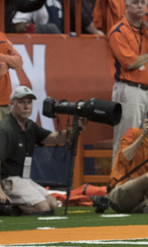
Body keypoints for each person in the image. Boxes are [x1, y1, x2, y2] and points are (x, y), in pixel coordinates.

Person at [0, 86, 86, 215]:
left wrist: (77, 128)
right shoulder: (6, 129)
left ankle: (12, 207)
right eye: (21, 102)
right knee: (43, 208)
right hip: (8, 180)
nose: (26, 106)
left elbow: (54, 138)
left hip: (23, 179)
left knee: (52, 204)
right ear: (11, 105)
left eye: (29, 102)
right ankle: (4, 208)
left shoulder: (29, 125)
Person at [108, 0, 148, 158]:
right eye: (135, 2)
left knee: (146, 141)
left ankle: (137, 182)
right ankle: (118, 183)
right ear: (126, 6)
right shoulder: (118, 31)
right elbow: (130, 63)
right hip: (129, 90)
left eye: (143, 2)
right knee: (126, 139)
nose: (140, 5)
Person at [0, 36, 22, 121]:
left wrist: (2, 58)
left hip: (5, 102)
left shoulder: (2, 38)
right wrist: (8, 62)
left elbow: (19, 62)